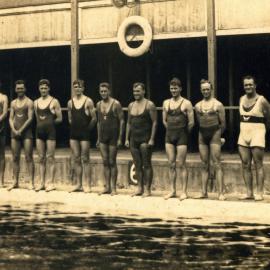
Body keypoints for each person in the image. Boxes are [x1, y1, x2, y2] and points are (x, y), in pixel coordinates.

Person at [238, 75, 270, 201]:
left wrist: (263, 131)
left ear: (255, 85)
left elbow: (269, 118)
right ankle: (249, 192)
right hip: (244, 134)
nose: (248, 87)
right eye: (246, 85)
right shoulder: (241, 99)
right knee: (245, 164)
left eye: (250, 84)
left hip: (257, 133)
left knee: (258, 164)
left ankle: (259, 192)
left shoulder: (262, 100)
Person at [163, 78, 194, 200]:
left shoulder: (186, 103)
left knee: (181, 164)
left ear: (180, 89)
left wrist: (184, 133)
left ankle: (184, 191)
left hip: (182, 135)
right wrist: (171, 129)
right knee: (171, 164)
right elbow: (164, 120)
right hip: (169, 135)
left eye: (176, 88)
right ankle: (172, 190)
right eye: (171, 88)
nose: (173, 90)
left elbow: (191, 122)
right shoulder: (166, 103)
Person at [195, 79, 226, 200]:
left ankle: (220, 193)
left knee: (217, 163)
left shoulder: (218, 104)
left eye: (207, 89)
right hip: (202, 135)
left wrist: (218, 136)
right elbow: (199, 122)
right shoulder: (197, 106)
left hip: (215, 134)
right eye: (203, 89)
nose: (206, 91)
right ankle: (204, 192)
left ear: (211, 89)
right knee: (204, 164)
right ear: (201, 90)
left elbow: (223, 124)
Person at [125, 82, 157, 197]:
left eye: (138, 91)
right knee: (137, 164)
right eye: (134, 91)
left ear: (143, 91)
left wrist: (152, 139)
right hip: (134, 139)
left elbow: (155, 122)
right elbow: (128, 123)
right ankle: (140, 187)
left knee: (146, 164)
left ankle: (147, 189)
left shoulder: (149, 105)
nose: (136, 93)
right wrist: (126, 138)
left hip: (145, 138)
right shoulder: (130, 105)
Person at [68, 79, 96, 192]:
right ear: (73, 88)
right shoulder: (70, 102)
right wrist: (75, 127)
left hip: (85, 134)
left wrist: (87, 129)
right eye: (75, 87)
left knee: (85, 159)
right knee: (76, 159)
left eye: (79, 87)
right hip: (74, 134)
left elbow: (94, 118)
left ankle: (87, 184)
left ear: (83, 88)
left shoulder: (88, 101)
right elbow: (70, 118)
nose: (77, 89)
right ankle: (79, 184)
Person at [34, 79, 62, 192]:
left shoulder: (54, 101)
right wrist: (43, 124)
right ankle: (41, 182)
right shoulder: (36, 102)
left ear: (49, 89)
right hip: (39, 132)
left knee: (50, 157)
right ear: (39, 89)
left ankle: (50, 183)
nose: (43, 90)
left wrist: (50, 124)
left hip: (50, 132)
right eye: (41, 88)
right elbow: (37, 118)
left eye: (45, 88)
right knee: (41, 158)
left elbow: (60, 118)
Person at [96, 82, 124, 195]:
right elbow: (99, 122)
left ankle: (114, 188)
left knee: (112, 161)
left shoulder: (116, 104)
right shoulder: (98, 104)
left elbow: (122, 121)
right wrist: (98, 138)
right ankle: (107, 186)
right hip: (103, 136)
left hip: (113, 136)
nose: (103, 93)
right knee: (105, 161)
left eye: (105, 91)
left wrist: (120, 138)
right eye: (101, 91)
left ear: (109, 91)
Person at [8, 80, 34, 190]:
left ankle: (31, 182)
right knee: (15, 157)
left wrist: (21, 130)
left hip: (26, 133)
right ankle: (15, 181)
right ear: (15, 89)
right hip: (15, 132)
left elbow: (30, 118)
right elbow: (10, 118)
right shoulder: (13, 103)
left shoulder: (29, 102)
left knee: (28, 157)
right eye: (18, 88)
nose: (20, 90)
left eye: (22, 88)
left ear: (25, 89)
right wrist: (13, 129)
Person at [0, 83, 8, 187]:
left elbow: (5, 113)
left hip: (0, 127)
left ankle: (1, 180)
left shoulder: (3, 97)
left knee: (1, 154)